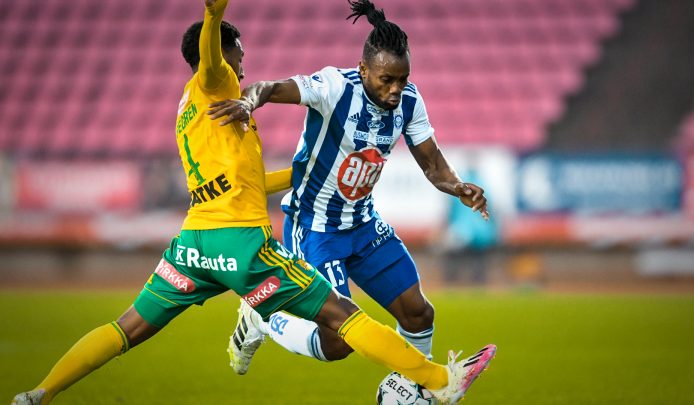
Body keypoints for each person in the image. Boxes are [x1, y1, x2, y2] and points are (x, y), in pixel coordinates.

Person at [11, 1, 495, 404]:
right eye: (238, 54)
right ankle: (435, 381)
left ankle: (39, 393)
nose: (244, 64)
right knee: (341, 320)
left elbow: (245, 182)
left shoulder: (189, 111)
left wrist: (305, 173)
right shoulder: (215, 81)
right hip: (245, 244)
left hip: (194, 244)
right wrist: (215, 14)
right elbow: (233, 65)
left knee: (125, 329)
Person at [208, 0, 492, 383]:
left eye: (402, 79)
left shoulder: (410, 102)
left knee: (419, 313)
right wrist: (248, 100)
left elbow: (433, 164)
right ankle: (262, 317)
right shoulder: (335, 86)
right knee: (339, 340)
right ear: (363, 69)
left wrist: (457, 187)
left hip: (363, 225)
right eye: (386, 80)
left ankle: (406, 391)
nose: (395, 90)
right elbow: (269, 87)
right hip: (315, 228)